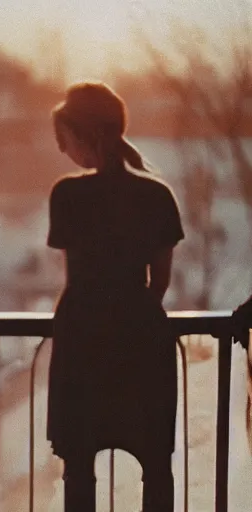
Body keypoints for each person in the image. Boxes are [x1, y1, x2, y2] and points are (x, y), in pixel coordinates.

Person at [46, 82, 185, 512]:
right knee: (155, 464)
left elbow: (77, 276)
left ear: (82, 137)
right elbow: (158, 283)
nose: (64, 152)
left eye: (65, 141)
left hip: (82, 339)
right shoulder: (157, 196)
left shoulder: (67, 196)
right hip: (141, 336)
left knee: (80, 467)